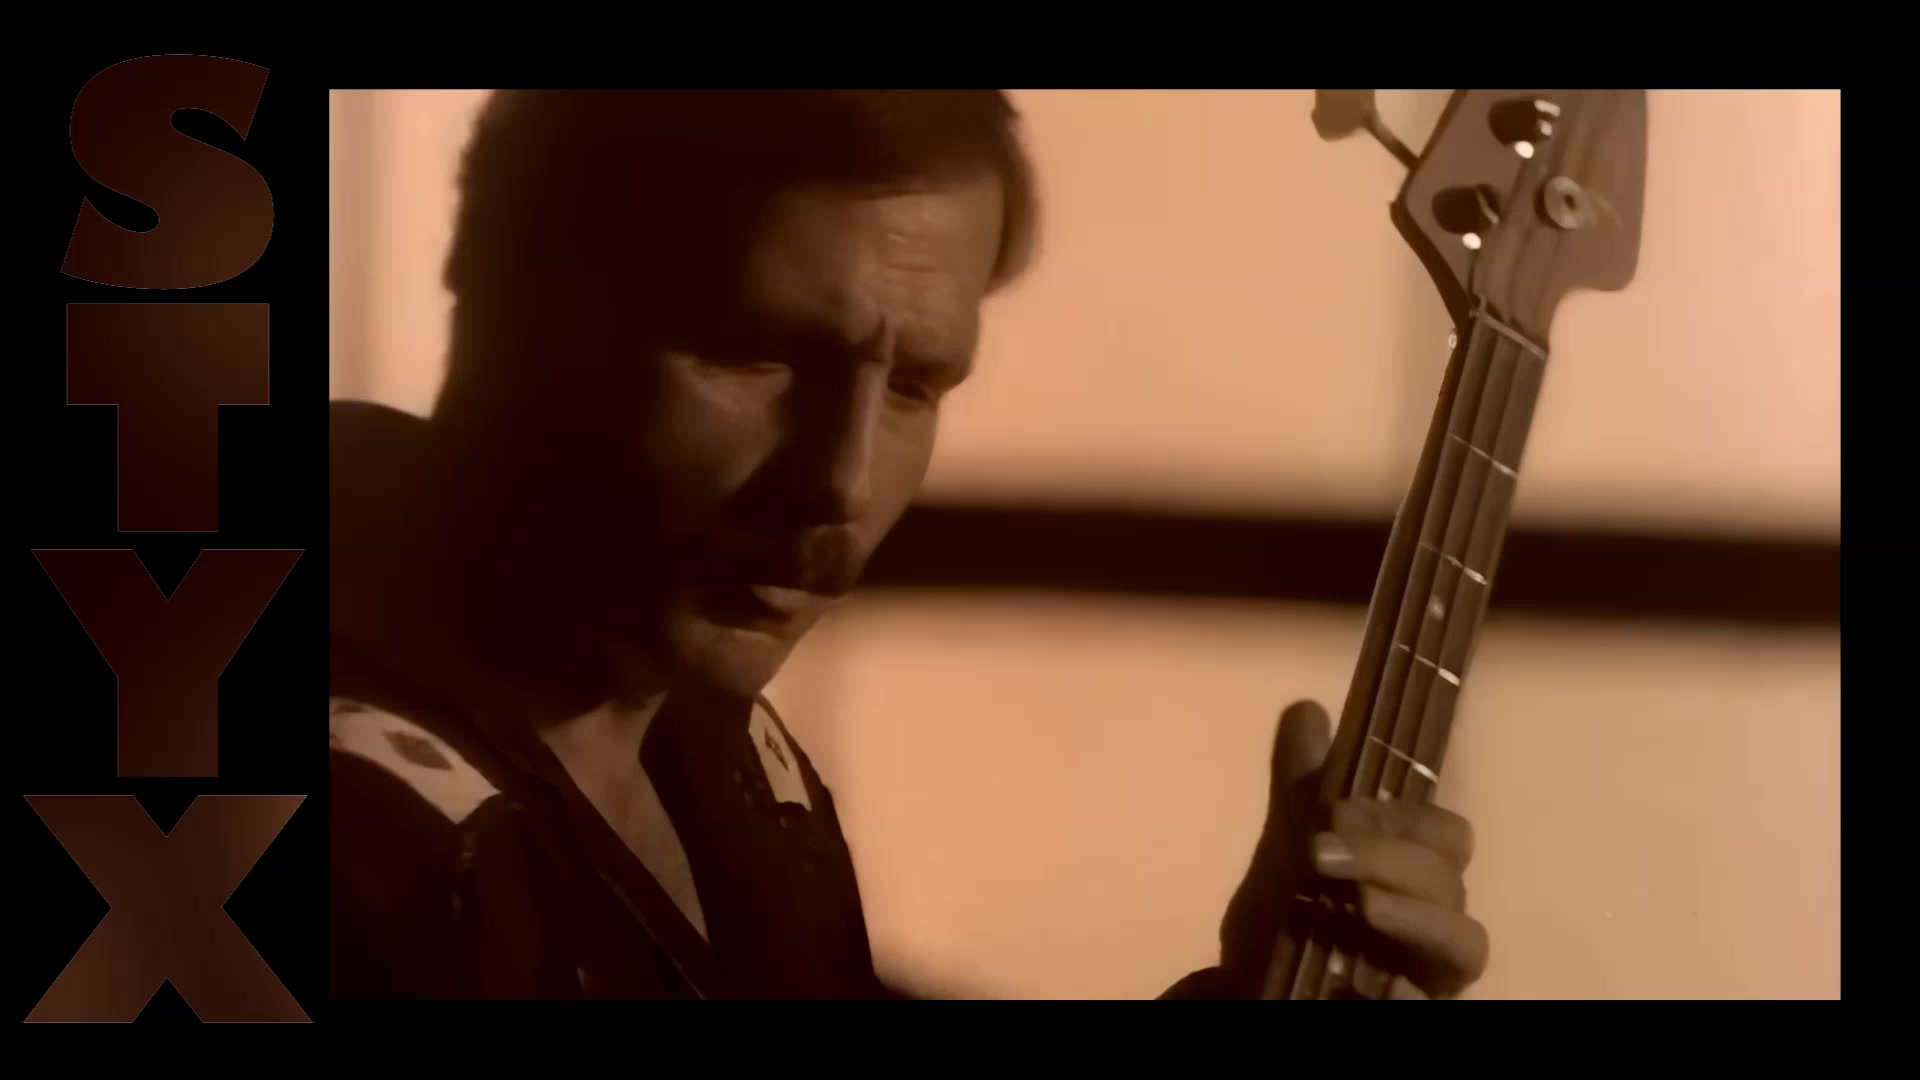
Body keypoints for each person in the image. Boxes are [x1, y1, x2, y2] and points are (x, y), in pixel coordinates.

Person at [328, 89, 1489, 1000]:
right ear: (511, 292)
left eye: (916, 385)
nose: (840, 483)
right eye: (756, 351)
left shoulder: (717, 747)